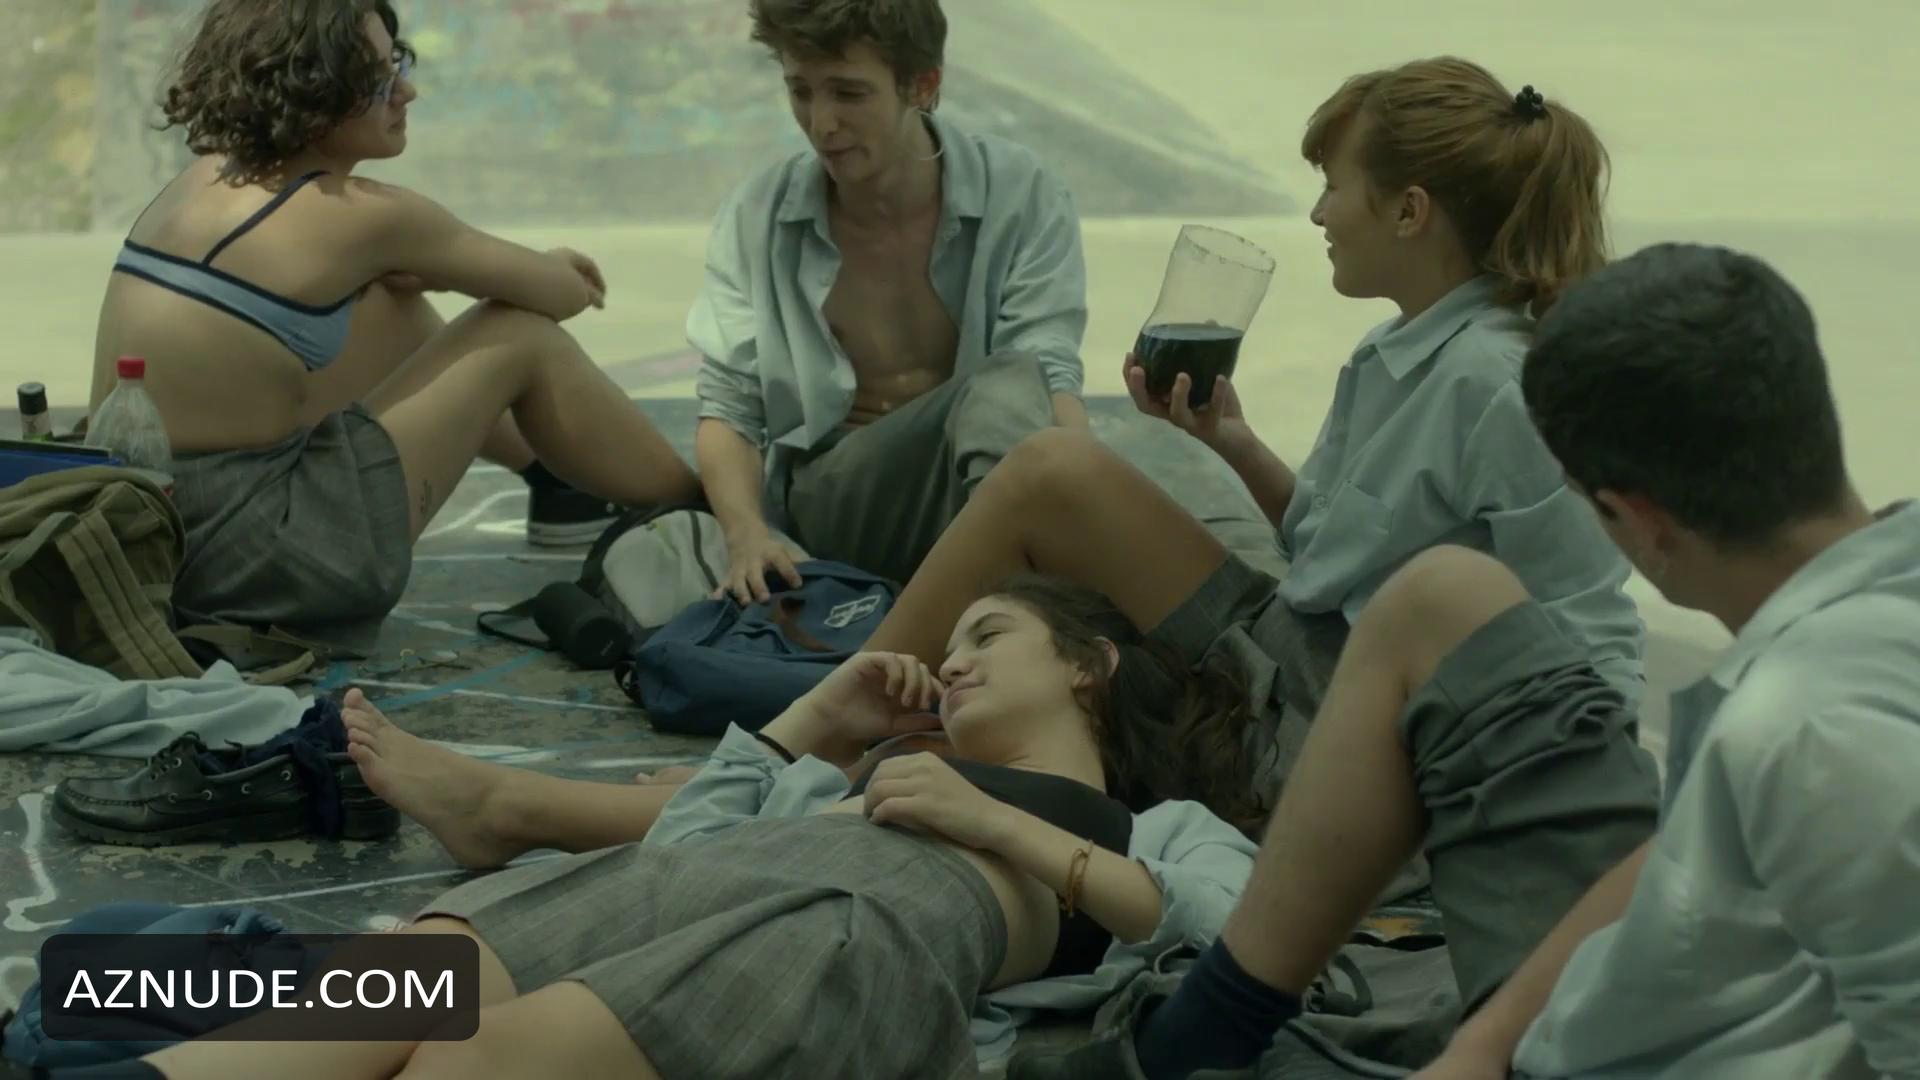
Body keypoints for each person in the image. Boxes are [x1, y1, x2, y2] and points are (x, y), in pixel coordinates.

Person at [1010, 245, 1920, 1078]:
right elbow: (1683, 856)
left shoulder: (1813, 742)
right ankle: (1208, 1029)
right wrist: (1482, 1048)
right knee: (1441, 595)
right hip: (1608, 983)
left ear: (1637, 519)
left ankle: (1199, 1038)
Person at [113, 576, 1262, 1079]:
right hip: (703, 881)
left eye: (989, 635)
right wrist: (815, 722)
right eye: (949, 644)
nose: (952, 661)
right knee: (405, 984)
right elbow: (684, 844)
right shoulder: (872, 771)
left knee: (478, 1055)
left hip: (868, 919)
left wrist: (1005, 829)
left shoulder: (1159, 825)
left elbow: (1232, 940)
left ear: (1089, 666)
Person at [89, 0, 701, 655]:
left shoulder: (198, 181)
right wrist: (546, 263)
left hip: (144, 545)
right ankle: (706, 516)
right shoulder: (366, 217)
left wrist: (409, 272)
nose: (406, 92)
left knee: (380, 300)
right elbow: (560, 295)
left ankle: (555, 486)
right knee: (519, 337)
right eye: (379, 78)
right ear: (314, 90)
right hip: (261, 564)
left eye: (398, 64)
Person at [691, 0, 1091, 598]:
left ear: (922, 86)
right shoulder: (759, 216)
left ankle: (1011, 591)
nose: (821, 124)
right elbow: (729, 408)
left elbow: (1051, 376)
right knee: (1010, 383)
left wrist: (1091, 499)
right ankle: (1022, 602)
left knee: (1043, 401)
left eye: (848, 94)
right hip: (836, 505)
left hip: (977, 490)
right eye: (800, 91)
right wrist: (746, 535)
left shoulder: (1020, 193)